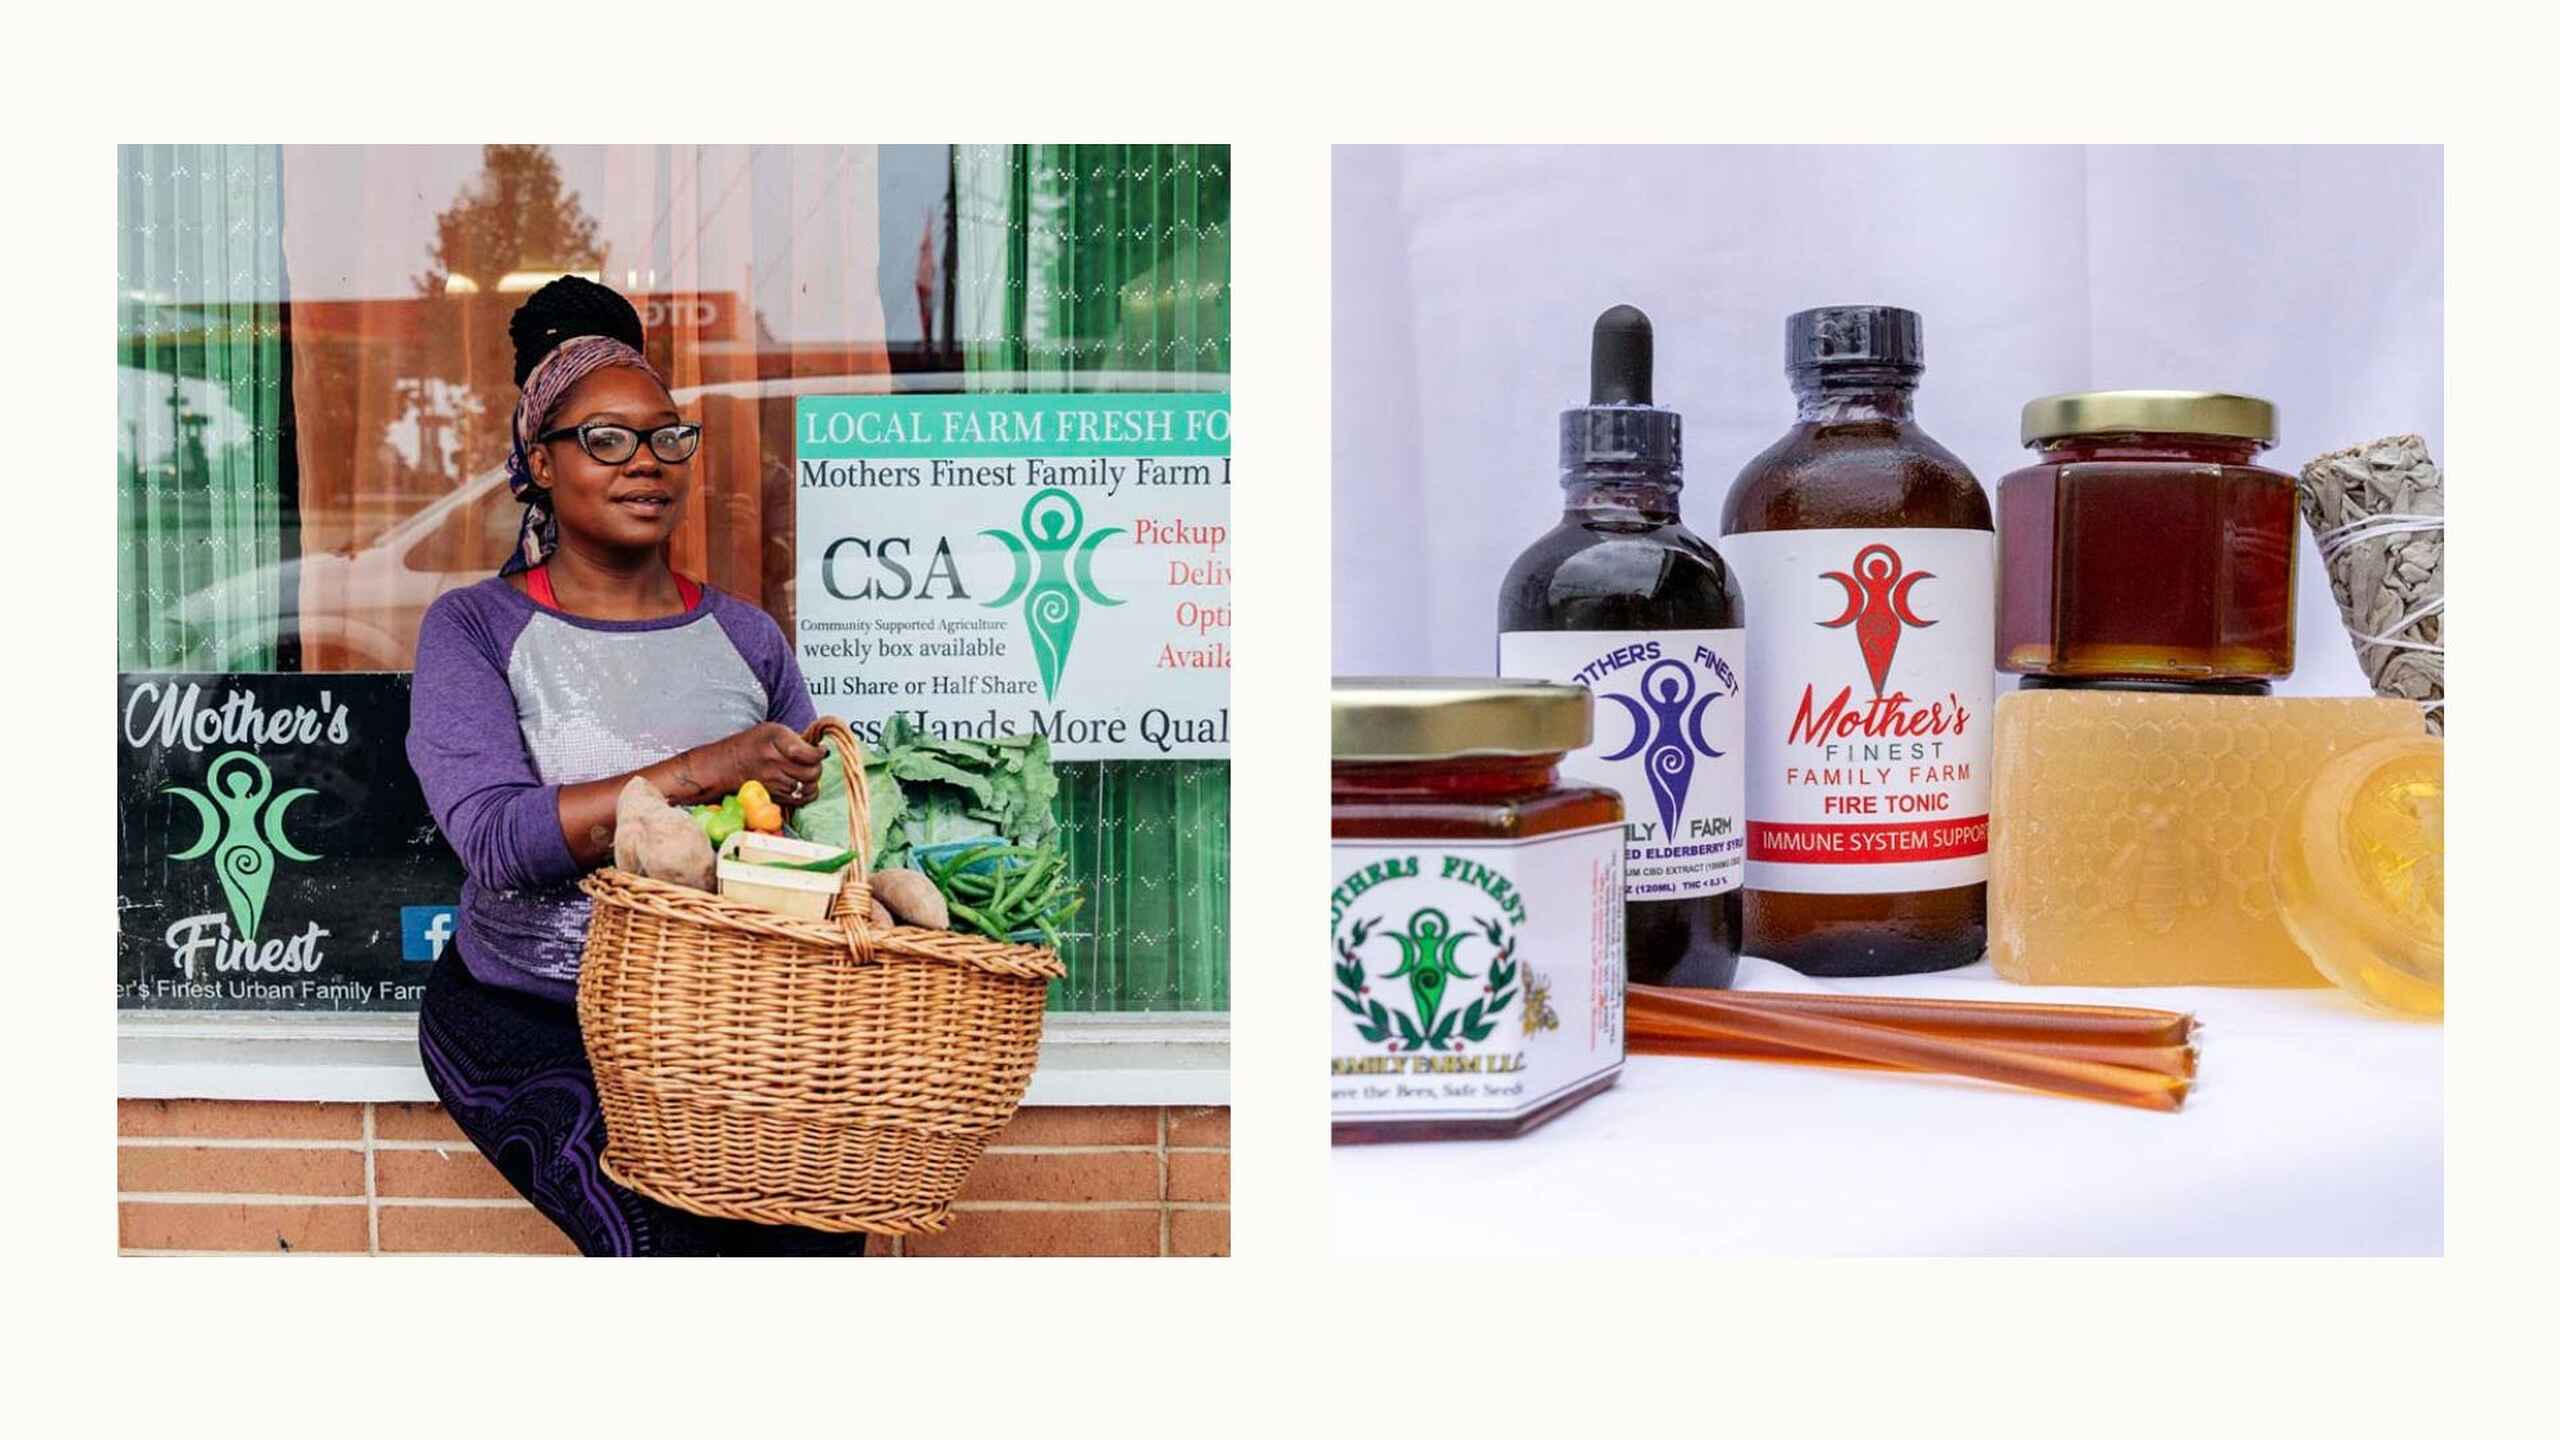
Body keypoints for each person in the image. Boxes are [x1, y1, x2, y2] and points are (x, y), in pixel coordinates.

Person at [407, 276, 860, 1256]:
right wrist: (704, 769)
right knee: (662, 1242)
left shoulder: (746, 637)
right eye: (605, 440)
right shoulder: (476, 628)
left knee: (816, 1235)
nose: (645, 462)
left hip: (717, 1026)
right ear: (541, 462)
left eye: (667, 437)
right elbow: (495, 838)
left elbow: (811, 855)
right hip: (525, 1014)